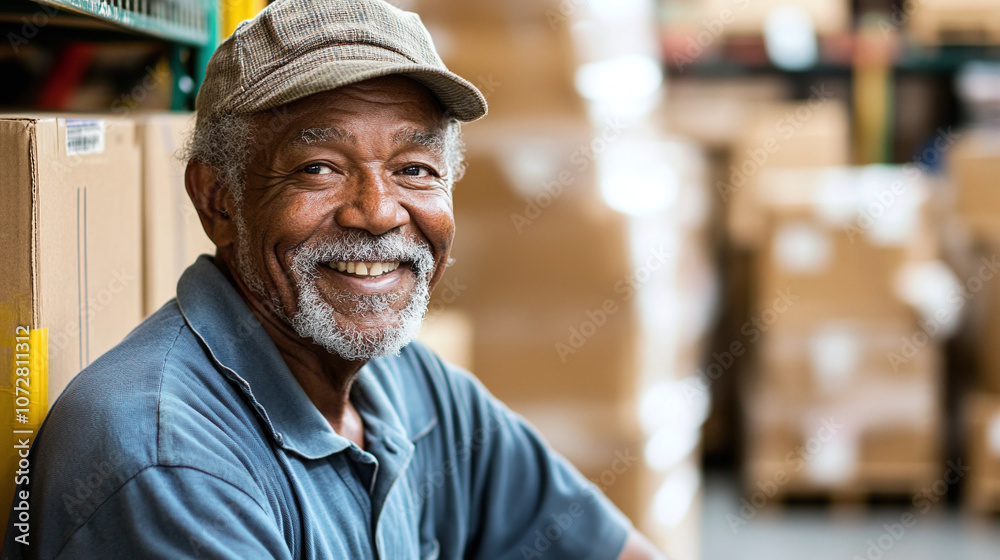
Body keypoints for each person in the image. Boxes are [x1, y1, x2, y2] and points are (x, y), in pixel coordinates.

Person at [3, 0, 667, 558]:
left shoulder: (407, 388)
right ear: (218, 201)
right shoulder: (165, 459)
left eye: (415, 169)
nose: (378, 212)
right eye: (319, 167)